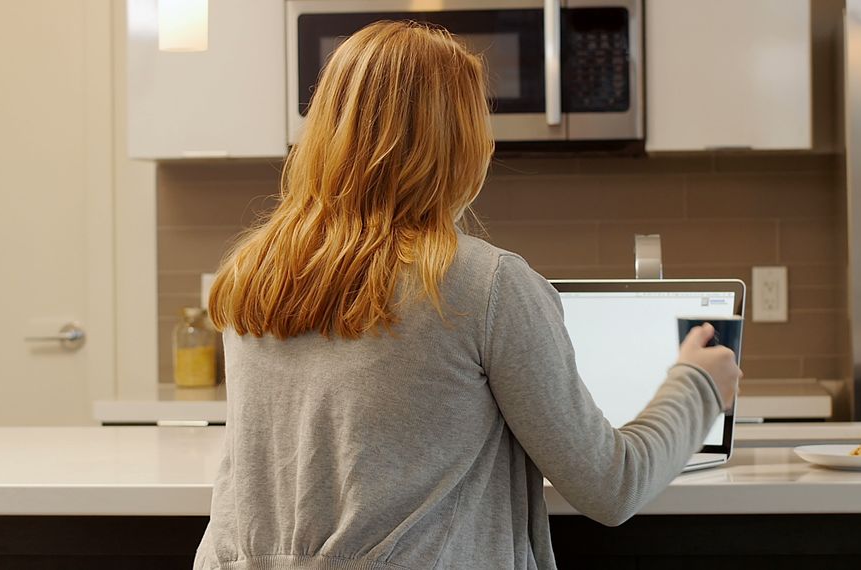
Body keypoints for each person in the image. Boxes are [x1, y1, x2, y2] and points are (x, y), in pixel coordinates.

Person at [193, 20, 741, 570]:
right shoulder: (484, 285)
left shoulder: (252, 278)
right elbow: (612, 485)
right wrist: (697, 385)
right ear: (462, 145)